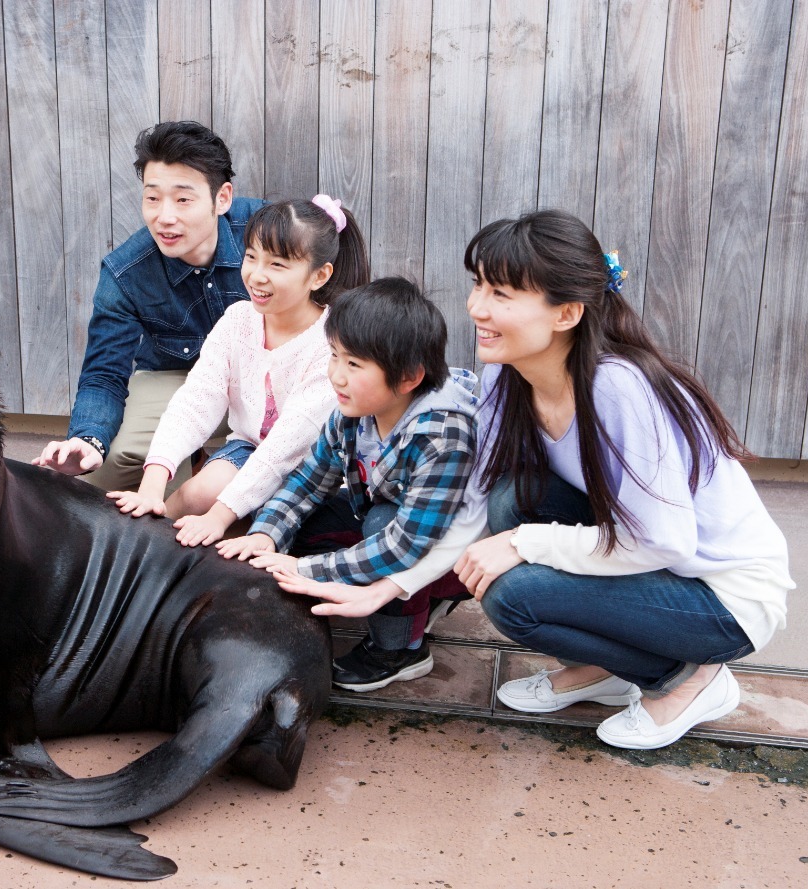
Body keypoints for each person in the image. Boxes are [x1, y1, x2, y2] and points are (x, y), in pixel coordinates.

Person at [443, 209, 792, 750]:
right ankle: (601, 671)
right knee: (512, 500)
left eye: (502, 294)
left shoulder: (618, 388)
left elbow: (664, 540)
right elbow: (475, 499)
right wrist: (377, 586)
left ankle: (688, 681)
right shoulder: (504, 374)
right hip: (650, 564)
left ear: (567, 314)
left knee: (514, 594)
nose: (477, 308)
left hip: (724, 599)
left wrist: (521, 543)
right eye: (478, 285)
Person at [218, 277, 479, 692]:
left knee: (380, 523)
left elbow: (405, 544)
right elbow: (308, 480)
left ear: (410, 376)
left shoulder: (442, 435)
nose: (336, 376)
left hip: (451, 556)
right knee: (286, 520)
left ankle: (400, 649)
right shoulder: (355, 410)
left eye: (354, 364)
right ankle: (390, 604)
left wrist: (307, 569)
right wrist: (266, 535)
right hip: (395, 524)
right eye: (334, 356)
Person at [106, 197, 371, 547]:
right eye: (251, 257)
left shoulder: (332, 343)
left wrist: (219, 517)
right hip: (249, 448)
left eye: (277, 264)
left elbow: (284, 449)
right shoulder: (239, 320)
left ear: (319, 275)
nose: (257, 275)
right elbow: (196, 400)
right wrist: (152, 487)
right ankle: (139, 547)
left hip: (312, 470)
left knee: (253, 526)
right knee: (200, 492)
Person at [33, 121, 264, 491]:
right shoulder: (125, 273)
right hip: (179, 378)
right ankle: (190, 458)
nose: (164, 216)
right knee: (98, 474)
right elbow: (104, 372)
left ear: (222, 198)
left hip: (270, 371)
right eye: (152, 198)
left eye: (183, 199)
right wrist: (88, 438)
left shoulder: (266, 230)